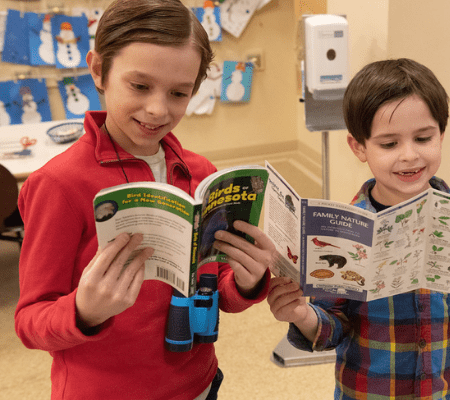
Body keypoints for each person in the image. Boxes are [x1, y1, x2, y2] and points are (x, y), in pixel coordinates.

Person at [15, 1, 273, 399]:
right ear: (99, 70)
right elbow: (30, 322)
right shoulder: (58, 185)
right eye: (139, 86)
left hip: (199, 382)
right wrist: (84, 311)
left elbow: (218, 290)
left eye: (178, 93)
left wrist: (246, 279)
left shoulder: (201, 173)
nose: (158, 109)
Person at [267, 58, 450, 400]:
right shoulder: (343, 234)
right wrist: (302, 314)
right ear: (359, 147)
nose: (409, 155)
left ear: (441, 135)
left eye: (423, 138)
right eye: (389, 144)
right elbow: (332, 327)